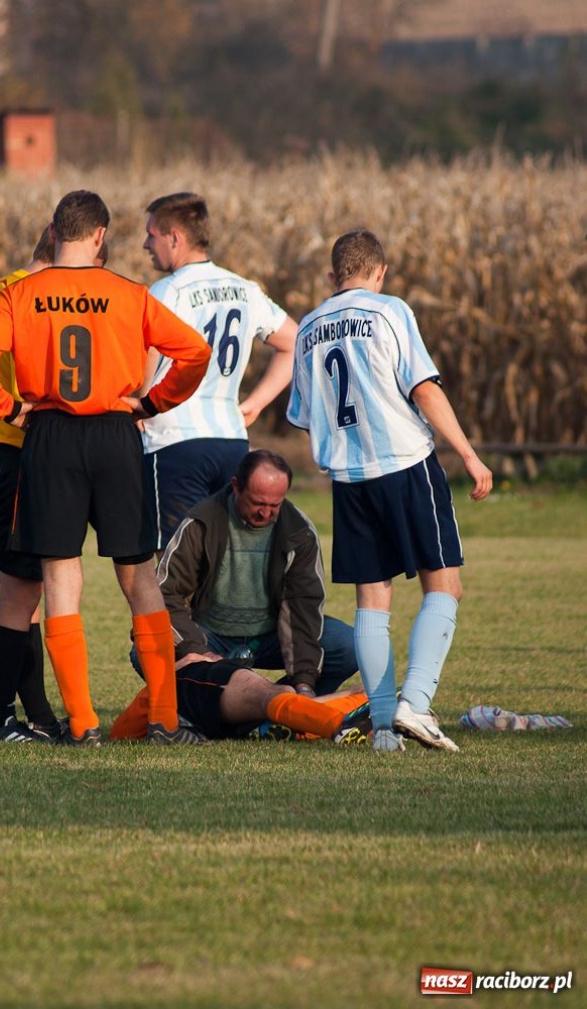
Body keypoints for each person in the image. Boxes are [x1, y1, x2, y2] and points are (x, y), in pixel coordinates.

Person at [0, 190, 212, 747]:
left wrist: (10, 409)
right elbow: (194, 351)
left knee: (60, 577)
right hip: (116, 433)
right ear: (99, 236)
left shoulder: (21, 294)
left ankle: (82, 724)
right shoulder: (129, 293)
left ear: (54, 231)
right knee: (139, 577)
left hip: (50, 435)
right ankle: (166, 722)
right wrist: (151, 403)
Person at [287, 229, 493, 752]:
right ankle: (416, 705)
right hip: (404, 464)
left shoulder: (308, 326)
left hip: (349, 479)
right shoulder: (388, 311)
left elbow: (304, 416)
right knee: (444, 586)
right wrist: (468, 454)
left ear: (332, 277)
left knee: (372, 601)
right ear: (379, 272)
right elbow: (424, 387)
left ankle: (382, 728)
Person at [140, 192, 298, 551]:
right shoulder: (244, 289)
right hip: (231, 443)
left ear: (175, 237)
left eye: (152, 234)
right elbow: (295, 341)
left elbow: (145, 359)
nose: (146, 244)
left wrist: (139, 403)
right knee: (222, 564)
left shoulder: (167, 292)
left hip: (174, 442)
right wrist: (255, 403)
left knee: (176, 564)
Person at [132, 449, 359, 697]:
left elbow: (303, 606)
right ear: (236, 487)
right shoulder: (201, 522)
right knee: (146, 648)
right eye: (258, 503)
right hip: (209, 635)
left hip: (272, 637)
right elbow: (166, 594)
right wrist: (197, 651)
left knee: (350, 645)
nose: (265, 512)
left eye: (275, 505)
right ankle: (213, 706)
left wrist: (304, 683)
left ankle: (283, 705)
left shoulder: (299, 531)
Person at [0, 224, 63, 743]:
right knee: (19, 596)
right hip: (10, 459)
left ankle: (40, 718)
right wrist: (20, 414)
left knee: (23, 594)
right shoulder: (35, 299)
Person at [110, 654, 373, 745]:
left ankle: (342, 719)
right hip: (197, 697)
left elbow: (120, 734)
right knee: (276, 704)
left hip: (194, 683)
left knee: (274, 698)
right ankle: (357, 705)